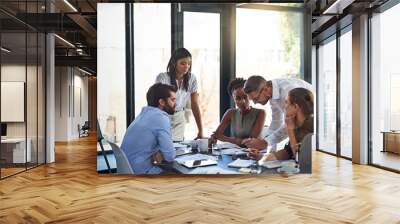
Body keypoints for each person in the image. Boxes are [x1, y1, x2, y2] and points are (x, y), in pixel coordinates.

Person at [242, 76, 313, 150]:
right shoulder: (272, 94)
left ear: (266, 89)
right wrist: (265, 146)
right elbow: (276, 122)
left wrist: (265, 143)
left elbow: (291, 122)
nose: (255, 103)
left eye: (256, 98)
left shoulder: (288, 91)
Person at [120, 83, 177, 174]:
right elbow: (170, 156)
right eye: (173, 100)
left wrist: (159, 152)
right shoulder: (161, 117)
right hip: (142, 172)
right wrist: (162, 154)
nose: (175, 103)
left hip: (127, 170)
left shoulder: (144, 114)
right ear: (161, 102)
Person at [248, 88, 314, 161]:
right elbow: (288, 152)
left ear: (295, 107)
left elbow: (300, 158)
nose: (284, 106)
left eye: (286, 102)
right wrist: (262, 156)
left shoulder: (312, 128)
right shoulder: (296, 124)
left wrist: (290, 130)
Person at [156, 48, 203, 141]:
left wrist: (200, 130)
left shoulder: (192, 79)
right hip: (164, 116)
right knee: (164, 146)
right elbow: (156, 102)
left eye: (189, 64)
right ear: (174, 63)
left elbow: (195, 104)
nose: (186, 66)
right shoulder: (163, 77)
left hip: (179, 117)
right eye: (182, 63)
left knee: (178, 148)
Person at [210, 78, 265, 146]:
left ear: (249, 96)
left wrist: (224, 138)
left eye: (245, 97)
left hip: (255, 153)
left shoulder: (261, 113)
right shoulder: (230, 113)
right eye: (238, 98)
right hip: (235, 152)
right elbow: (217, 135)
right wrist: (213, 138)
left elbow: (249, 142)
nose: (243, 101)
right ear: (234, 100)